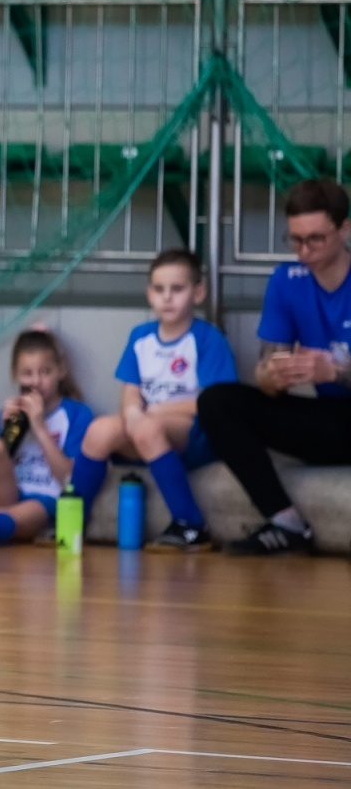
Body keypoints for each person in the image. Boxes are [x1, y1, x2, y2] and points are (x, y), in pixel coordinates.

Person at [199, 178, 351, 555]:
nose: (304, 251)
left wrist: (335, 372)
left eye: (316, 239)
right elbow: (270, 363)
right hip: (330, 420)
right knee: (219, 401)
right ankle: (286, 523)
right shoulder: (286, 280)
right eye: (295, 239)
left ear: (345, 229)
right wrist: (271, 376)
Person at [70, 249, 236, 553]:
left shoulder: (208, 339)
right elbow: (131, 390)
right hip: (148, 429)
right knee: (100, 430)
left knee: (147, 427)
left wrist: (157, 411)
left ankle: (191, 525)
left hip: (195, 434)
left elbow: (218, 401)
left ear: (198, 292)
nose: (167, 298)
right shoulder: (140, 337)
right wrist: (132, 413)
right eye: (159, 290)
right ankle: (68, 521)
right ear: (149, 294)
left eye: (177, 289)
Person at [0, 329, 93, 548]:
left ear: (61, 371)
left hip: (47, 502)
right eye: (27, 373)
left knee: (31, 508)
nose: (36, 381)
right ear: (16, 375)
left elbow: (70, 480)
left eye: (45, 372)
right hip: (8, 494)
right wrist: (8, 433)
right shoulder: (13, 412)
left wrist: (39, 426)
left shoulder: (77, 414)